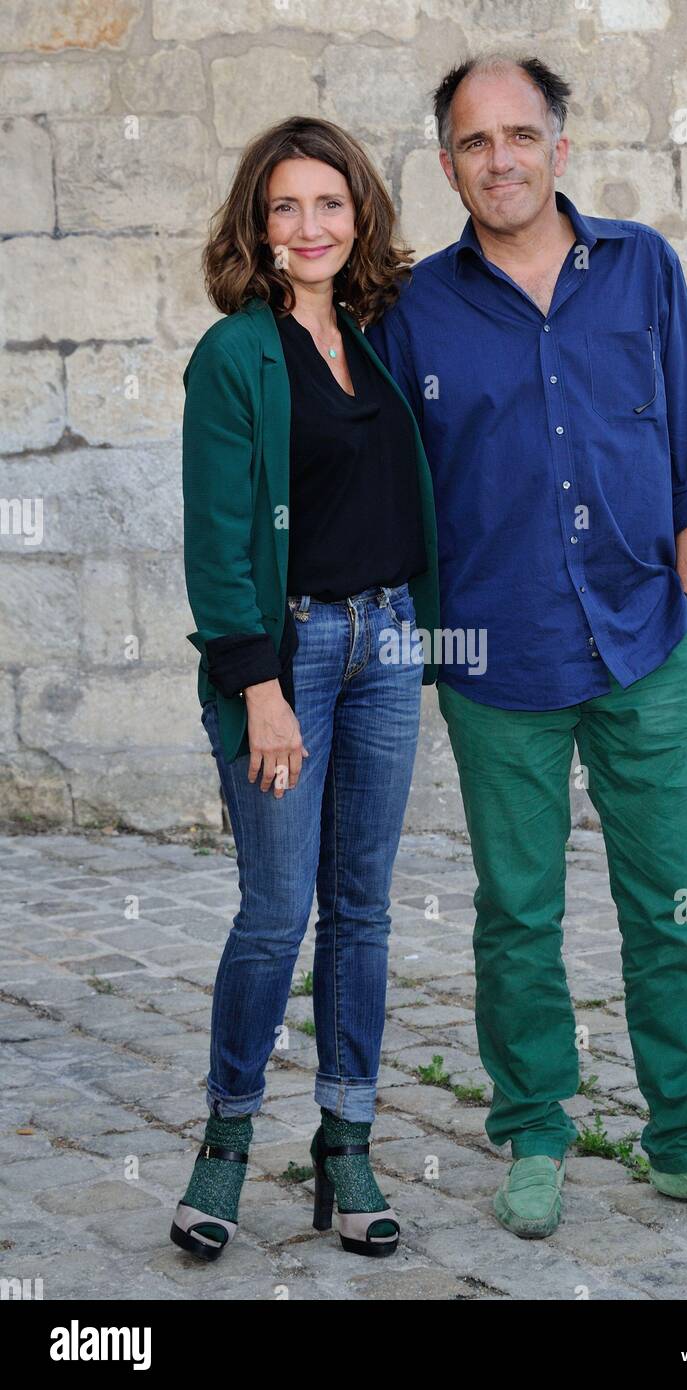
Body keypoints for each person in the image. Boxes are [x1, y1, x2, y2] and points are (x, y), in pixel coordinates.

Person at [367, 53, 687, 1239]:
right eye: (471, 141)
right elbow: (391, 488)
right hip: (494, 660)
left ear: (558, 145)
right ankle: (536, 1132)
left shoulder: (641, 266)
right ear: (446, 161)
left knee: (673, 904)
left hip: (644, 640)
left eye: (518, 134)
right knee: (516, 914)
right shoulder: (412, 306)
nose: (497, 158)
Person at [172, 116, 440, 1260]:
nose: (309, 226)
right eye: (284, 207)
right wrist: (257, 688)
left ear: (360, 213)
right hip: (288, 660)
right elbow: (216, 538)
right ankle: (224, 1147)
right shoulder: (233, 355)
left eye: (327, 204)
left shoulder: (382, 333)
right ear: (257, 224)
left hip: (388, 645)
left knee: (365, 909)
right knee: (276, 912)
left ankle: (348, 1142)